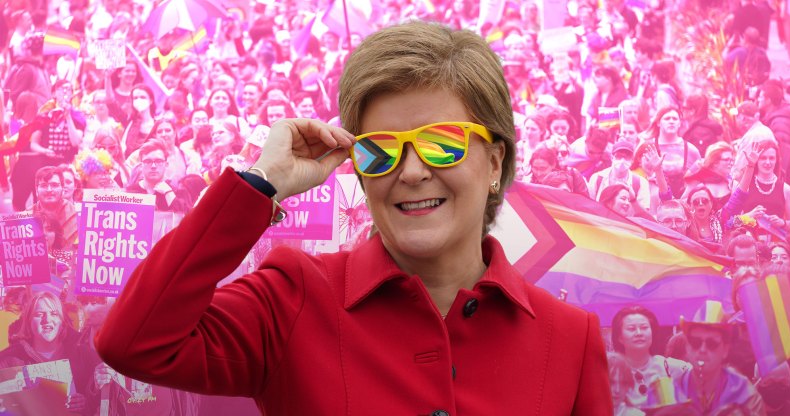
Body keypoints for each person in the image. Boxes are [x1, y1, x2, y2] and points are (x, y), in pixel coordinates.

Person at [95, 22, 612, 414]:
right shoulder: (293, 298)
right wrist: (260, 183)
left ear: (495, 162)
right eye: (380, 150)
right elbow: (134, 343)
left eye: (442, 144)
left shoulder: (569, 337)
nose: (412, 172)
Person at [0, 292, 98, 415]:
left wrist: (86, 404)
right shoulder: (8, 360)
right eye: (39, 314)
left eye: (54, 314)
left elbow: (106, 399)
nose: (47, 320)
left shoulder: (84, 355)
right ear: (29, 321)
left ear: (62, 321)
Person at [673, 301, 766, 415]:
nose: (702, 349)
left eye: (712, 343)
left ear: (725, 350)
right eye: (695, 342)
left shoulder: (745, 394)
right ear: (687, 347)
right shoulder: (672, 390)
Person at [611, 305, 691, 409]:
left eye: (644, 327)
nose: (639, 333)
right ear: (619, 337)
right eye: (631, 329)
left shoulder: (673, 368)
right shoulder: (610, 372)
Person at [647, 107, 702, 198]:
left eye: (675, 119)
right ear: (658, 123)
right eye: (667, 118)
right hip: (654, 202)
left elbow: (700, 181)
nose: (671, 121)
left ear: (679, 123)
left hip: (684, 202)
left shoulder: (691, 150)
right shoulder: (648, 147)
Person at [589, 140, 651, 211]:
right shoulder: (597, 178)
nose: (622, 160)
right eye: (618, 156)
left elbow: (644, 213)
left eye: (627, 157)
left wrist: (633, 199)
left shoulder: (641, 183)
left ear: (632, 160)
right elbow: (589, 206)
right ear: (612, 157)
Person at [32, 166, 78, 246]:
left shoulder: (76, 214)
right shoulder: (27, 216)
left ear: (62, 188)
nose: (49, 190)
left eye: (54, 185)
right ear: (36, 190)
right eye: (44, 185)